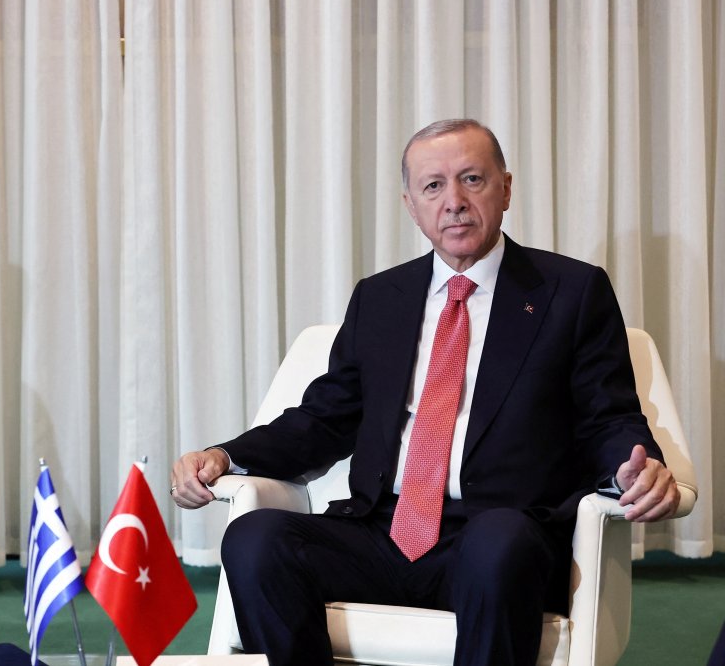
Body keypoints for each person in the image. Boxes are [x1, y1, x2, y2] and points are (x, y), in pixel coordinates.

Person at [170, 119, 681, 665]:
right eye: (434, 186)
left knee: (499, 542)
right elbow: (324, 419)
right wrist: (226, 455)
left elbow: (608, 416)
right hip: (381, 532)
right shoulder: (381, 298)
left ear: (505, 188)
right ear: (410, 203)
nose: (454, 202)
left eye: (472, 179)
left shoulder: (572, 293)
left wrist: (637, 464)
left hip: (498, 537)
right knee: (254, 539)